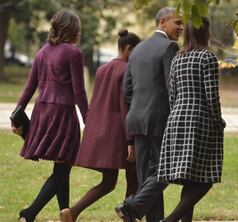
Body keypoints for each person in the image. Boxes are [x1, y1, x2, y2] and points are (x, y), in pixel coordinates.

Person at [11, 9, 88, 222]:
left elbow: (29, 87)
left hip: (42, 113)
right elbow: (79, 92)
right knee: (63, 169)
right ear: (73, 29)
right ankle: (30, 213)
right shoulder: (74, 53)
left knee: (62, 165)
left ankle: (66, 213)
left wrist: (15, 116)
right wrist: (89, 121)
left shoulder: (42, 52)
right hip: (62, 114)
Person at [59, 29, 141, 222]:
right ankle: (129, 217)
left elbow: (96, 103)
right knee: (134, 175)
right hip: (119, 134)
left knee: (109, 182)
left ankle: (72, 212)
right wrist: (131, 140)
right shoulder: (127, 70)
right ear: (129, 49)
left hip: (100, 133)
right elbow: (124, 107)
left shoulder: (102, 70)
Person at [114, 7, 183, 222]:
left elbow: (126, 90)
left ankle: (147, 215)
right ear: (162, 22)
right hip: (159, 120)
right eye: (177, 22)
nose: (181, 27)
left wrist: (139, 107)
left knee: (147, 176)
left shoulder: (138, 49)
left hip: (136, 119)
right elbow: (173, 88)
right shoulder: (170, 47)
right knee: (168, 168)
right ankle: (131, 206)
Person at [158, 16, 226, 222]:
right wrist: (218, 120)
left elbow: (173, 94)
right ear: (205, 33)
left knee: (190, 179)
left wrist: (177, 116)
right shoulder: (207, 58)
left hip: (177, 117)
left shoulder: (178, 58)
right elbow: (211, 95)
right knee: (205, 179)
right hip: (200, 120)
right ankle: (169, 220)